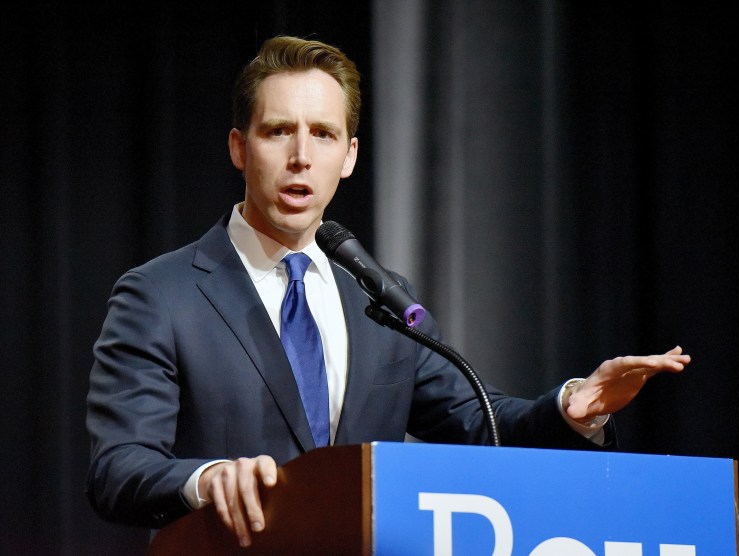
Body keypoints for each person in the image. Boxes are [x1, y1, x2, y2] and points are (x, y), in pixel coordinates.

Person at [86, 35, 691, 549]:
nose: (301, 156)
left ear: (348, 157)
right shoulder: (161, 296)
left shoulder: (377, 297)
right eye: (278, 132)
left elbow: (480, 424)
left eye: (323, 135)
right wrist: (209, 478)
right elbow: (118, 469)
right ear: (240, 148)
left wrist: (572, 407)